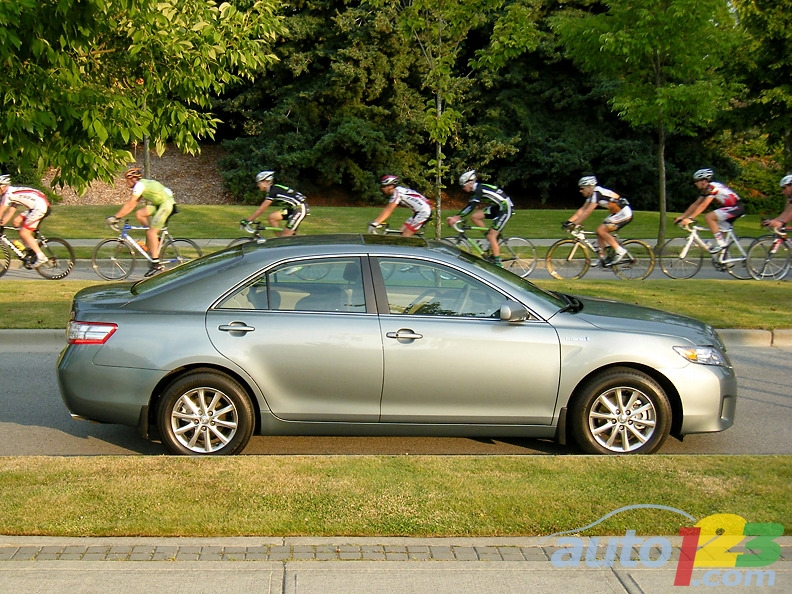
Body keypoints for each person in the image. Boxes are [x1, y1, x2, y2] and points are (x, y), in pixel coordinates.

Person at [107, 167, 176, 276]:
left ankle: (156, 263)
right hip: (160, 204)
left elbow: (130, 204)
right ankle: (155, 240)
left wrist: (116, 217)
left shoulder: (139, 185)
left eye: (127, 180)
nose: (126, 183)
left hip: (165, 204)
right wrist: (119, 217)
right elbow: (133, 205)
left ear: (133, 179)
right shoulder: (141, 185)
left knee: (150, 232)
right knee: (140, 213)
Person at [446, 170, 513, 266]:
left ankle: (498, 264)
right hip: (496, 207)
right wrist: (457, 216)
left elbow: (472, 206)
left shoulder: (479, 190)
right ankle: (489, 240)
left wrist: (457, 217)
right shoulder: (477, 190)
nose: (463, 188)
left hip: (505, 209)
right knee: (475, 217)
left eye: (463, 186)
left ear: (469, 183)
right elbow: (470, 205)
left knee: (492, 236)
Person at [562, 175, 632, 267]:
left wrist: (575, 224)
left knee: (601, 230)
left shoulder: (597, 193)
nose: (580, 191)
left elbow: (587, 212)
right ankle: (602, 258)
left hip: (624, 213)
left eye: (582, 188)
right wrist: (569, 221)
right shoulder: (592, 195)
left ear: (590, 187)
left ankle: (620, 251)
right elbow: (582, 210)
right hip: (617, 213)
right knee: (599, 232)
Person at [674, 169, 745, 252]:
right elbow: (695, 204)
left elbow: (703, 205)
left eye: (697, 181)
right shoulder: (706, 189)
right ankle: (726, 261)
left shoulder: (712, 187)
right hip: (731, 208)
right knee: (719, 234)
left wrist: (690, 218)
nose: (695, 183)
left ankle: (721, 244)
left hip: (735, 207)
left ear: (704, 181)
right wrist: (682, 216)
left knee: (709, 217)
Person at [0, 174, 52, 268]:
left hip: (39, 207)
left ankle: (41, 256)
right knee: (16, 221)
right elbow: (10, 213)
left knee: (24, 232)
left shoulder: (7, 194)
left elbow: (1, 210)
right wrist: (2, 224)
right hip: (38, 205)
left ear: (3, 186)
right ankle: (28, 248)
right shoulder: (11, 192)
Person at [241, 171, 307, 237]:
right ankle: (279, 240)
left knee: (285, 236)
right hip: (292, 208)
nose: (258, 185)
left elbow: (262, 209)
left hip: (299, 209)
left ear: (265, 182)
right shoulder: (273, 189)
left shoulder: (273, 191)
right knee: (272, 217)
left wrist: (248, 220)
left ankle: (283, 240)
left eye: (259, 183)